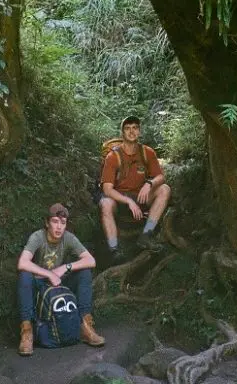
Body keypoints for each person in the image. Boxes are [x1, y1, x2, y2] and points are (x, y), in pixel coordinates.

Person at [17, 202, 105, 356]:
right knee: (25, 275)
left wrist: (66, 267)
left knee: (85, 272)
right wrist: (49, 273)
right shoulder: (38, 237)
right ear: (47, 223)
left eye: (62, 223)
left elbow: (91, 261)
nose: (58, 227)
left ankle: (86, 326)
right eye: (55, 222)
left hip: (59, 281)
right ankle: (27, 332)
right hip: (39, 283)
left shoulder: (68, 238)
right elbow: (22, 262)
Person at [100, 115, 171, 262]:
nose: (131, 131)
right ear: (122, 132)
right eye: (127, 128)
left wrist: (149, 184)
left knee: (164, 189)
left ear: (139, 131)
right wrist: (128, 201)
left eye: (135, 128)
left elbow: (160, 177)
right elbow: (107, 189)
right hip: (119, 200)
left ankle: (146, 235)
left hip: (140, 196)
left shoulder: (147, 152)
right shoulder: (113, 156)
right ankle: (114, 249)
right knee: (105, 203)